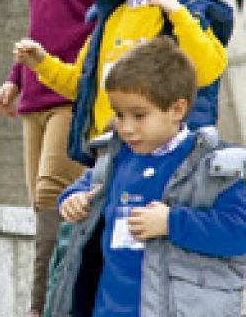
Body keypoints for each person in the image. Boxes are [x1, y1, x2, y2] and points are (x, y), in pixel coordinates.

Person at [14, 0, 232, 169]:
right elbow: (83, 86)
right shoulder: (110, 18)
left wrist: (177, 14)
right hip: (106, 157)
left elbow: (209, 69)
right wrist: (41, 63)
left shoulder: (183, 13)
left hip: (162, 161)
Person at [0, 0, 118, 316]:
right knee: (43, 209)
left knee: (54, 196)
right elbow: (40, 29)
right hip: (35, 100)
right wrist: (14, 76)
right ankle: (64, 296)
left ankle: (43, 305)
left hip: (75, 98)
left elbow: (103, 28)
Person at [47, 36, 246, 316]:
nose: (126, 128)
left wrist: (171, 222)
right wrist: (72, 199)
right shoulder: (116, 159)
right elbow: (87, 187)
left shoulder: (216, 170)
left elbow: (239, 233)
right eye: (119, 114)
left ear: (177, 110)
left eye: (138, 116)